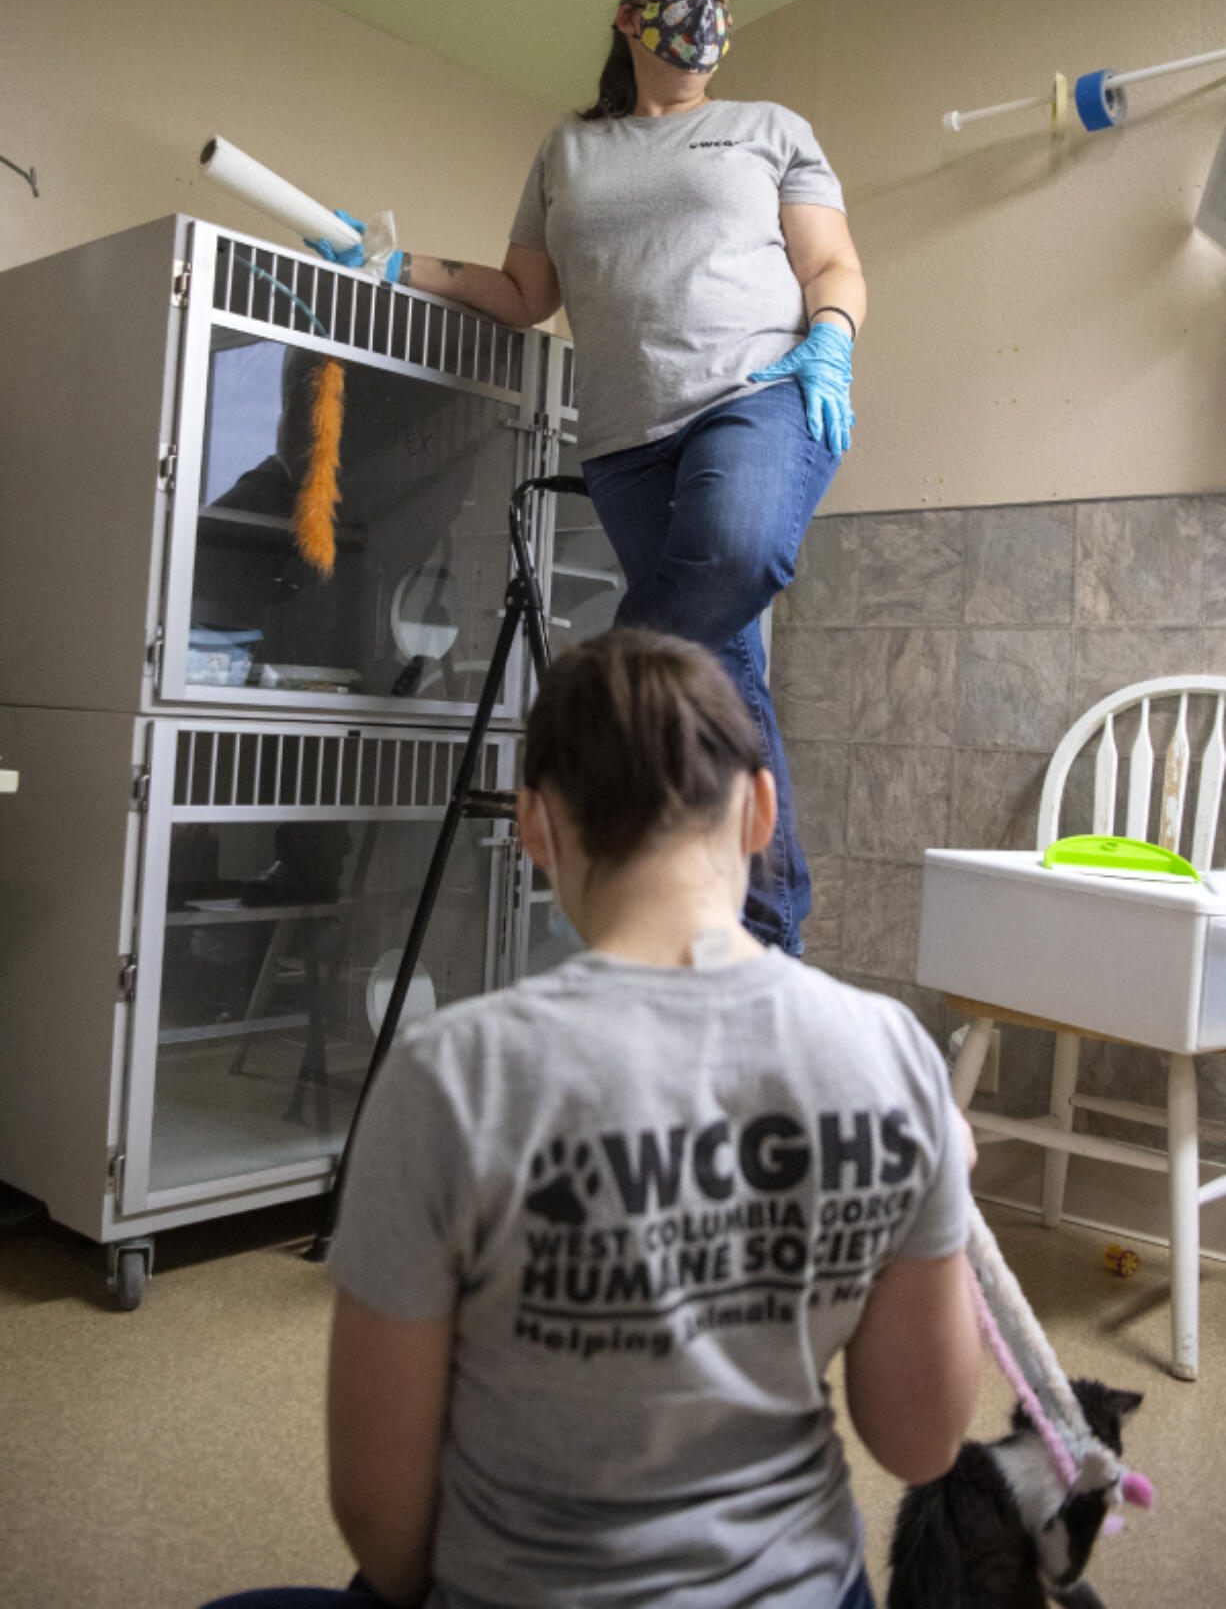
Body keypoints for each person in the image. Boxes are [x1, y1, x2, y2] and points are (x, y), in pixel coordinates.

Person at [202, 628, 980, 1609]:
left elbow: (378, 1508)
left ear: (533, 828)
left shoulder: (450, 1076)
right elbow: (919, 1440)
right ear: (760, 810)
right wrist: (938, 1187)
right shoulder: (892, 1054)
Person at [308, 0, 866, 958]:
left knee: (733, 555)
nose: (700, 10)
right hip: (625, 446)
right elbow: (527, 296)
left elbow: (830, 261)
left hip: (757, 396)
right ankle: (767, 932)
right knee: (724, 670)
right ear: (627, 16)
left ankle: (580, 719)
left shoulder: (766, 129)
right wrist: (399, 264)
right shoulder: (568, 149)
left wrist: (828, 341)